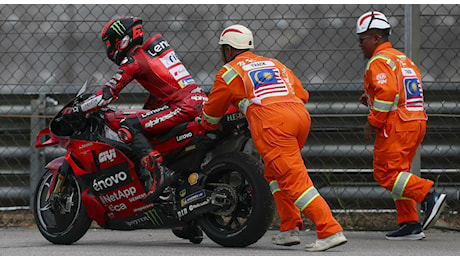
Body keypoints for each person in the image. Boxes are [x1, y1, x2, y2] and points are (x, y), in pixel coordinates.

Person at [198, 24, 347, 252]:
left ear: (228, 50)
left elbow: (210, 117)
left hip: (273, 124)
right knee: (275, 173)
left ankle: (330, 230)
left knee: (293, 179)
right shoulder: (274, 63)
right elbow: (302, 94)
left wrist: (212, 118)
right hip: (299, 117)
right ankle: (289, 229)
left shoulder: (229, 72)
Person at [62, 16, 208, 206]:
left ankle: (159, 172)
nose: (109, 48)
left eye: (110, 43)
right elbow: (160, 93)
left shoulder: (135, 61)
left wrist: (78, 109)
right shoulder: (155, 54)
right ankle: (183, 211)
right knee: (148, 130)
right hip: (201, 103)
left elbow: (107, 95)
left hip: (185, 107)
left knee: (127, 125)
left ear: (122, 40)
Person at [356, 11, 447, 240]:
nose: (360, 45)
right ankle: (410, 224)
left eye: (362, 39)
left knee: (385, 173)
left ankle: (429, 195)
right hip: (415, 121)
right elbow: (400, 92)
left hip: (397, 124)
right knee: (400, 173)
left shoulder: (378, 61)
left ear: (376, 38)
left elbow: (388, 92)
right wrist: (370, 99)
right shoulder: (402, 59)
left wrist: (372, 122)